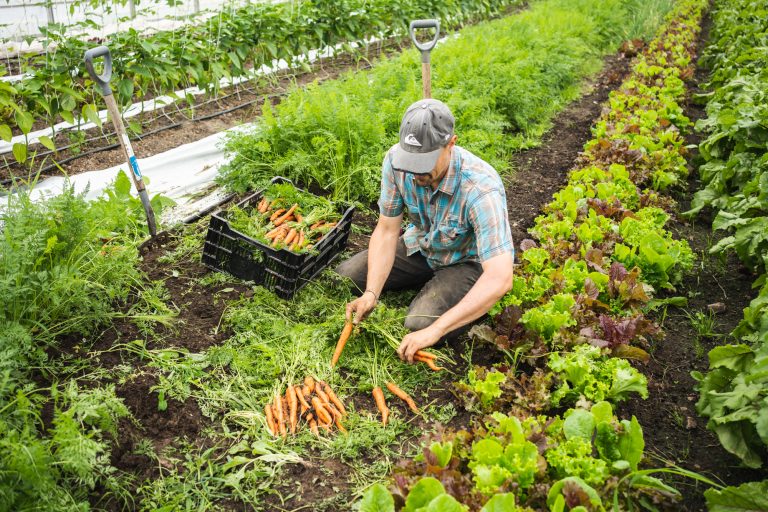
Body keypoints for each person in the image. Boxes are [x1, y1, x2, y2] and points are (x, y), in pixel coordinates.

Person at [336, 98, 514, 363]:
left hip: (464, 261)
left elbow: (500, 278)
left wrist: (437, 329)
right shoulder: (396, 162)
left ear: (451, 144)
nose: (416, 171)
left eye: (425, 161)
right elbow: (386, 229)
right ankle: (430, 283)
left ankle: (467, 298)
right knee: (347, 275)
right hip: (423, 245)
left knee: (419, 325)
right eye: (411, 160)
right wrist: (372, 293)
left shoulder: (480, 190)